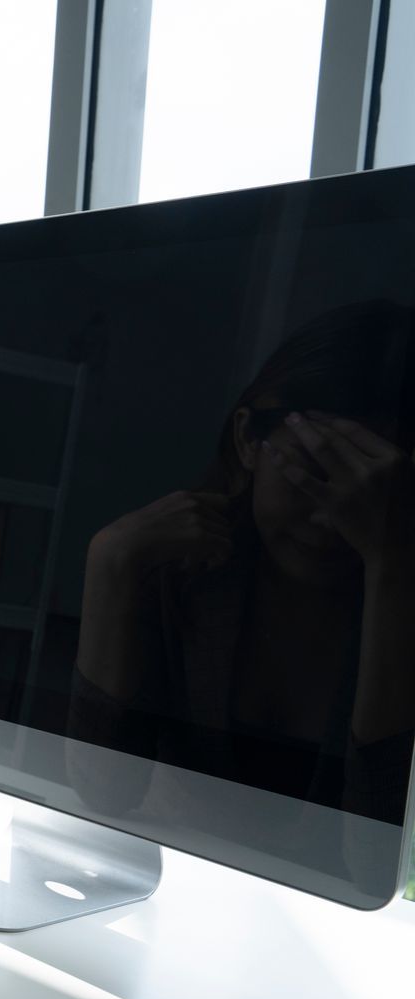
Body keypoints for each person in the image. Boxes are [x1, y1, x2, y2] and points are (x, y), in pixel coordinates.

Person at [69, 300, 415, 853]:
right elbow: (103, 790)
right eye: (313, 475)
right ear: (248, 440)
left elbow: (377, 856)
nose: (330, 521)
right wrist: (108, 563)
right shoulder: (181, 570)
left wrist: (393, 564)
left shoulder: (397, 584)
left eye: (368, 496)